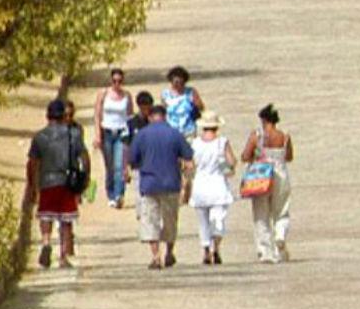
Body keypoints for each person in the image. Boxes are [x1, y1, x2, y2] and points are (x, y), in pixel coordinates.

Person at [126, 94, 193, 269]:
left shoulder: (142, 135)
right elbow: (188, 155)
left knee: (150, 220)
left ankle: (156, 256)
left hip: (149, 182)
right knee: (170, 219)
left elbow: (132, 158)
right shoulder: (175, 133)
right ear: (165, 117)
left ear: (150, 117)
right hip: (171, 182)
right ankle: (169, 251)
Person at [26, 98, 87, 269]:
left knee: (46, 214)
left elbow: (32, 163)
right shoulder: (73, 134)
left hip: (47, 181)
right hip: (67, 181)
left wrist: (33, 185)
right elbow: (84, 157)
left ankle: (46, 242)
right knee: (66, 220)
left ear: (48, 116)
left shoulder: (39, 137)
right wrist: (85, 178)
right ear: (63, 116)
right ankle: (63, 256)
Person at [241, 104, 294, 264]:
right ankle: (280, 236)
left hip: (261, 176)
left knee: (261, 215)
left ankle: (265, 252)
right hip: (280, 174)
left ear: (263, 120)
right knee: (281, 210)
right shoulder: (284, 137)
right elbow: (289, 157)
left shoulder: (257, 136)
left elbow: (245, 155)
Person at [189, 113, 236, 265]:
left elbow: (190, 165)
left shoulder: (195, 143)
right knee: (218, 219)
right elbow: (232, 161)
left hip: (200, 185)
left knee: (203, 222)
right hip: (218, 184)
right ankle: (215, 247)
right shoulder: (222, 142)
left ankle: (205, 250)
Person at [95, 67, 136, 210]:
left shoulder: (127, 96)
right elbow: (97, 115)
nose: (117, 84)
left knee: (120, 166)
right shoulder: (103, 94)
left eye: (119, 81)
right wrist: (97, 135)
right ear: (111, 81)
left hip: (121, 133)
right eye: (114, 81)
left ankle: (119, 195)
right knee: (109, 166)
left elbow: (130, 116)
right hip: (107, 132)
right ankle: (111, 194)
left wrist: (132, 137)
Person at [162, 66, 203, 137]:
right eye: (176, 82)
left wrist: (195, 104)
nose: (178, 85)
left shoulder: (191, 92)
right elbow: (163, 111)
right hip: (171, 131)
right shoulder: (165, 94)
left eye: (181, 82)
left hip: (189, 130)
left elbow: (201, 107)